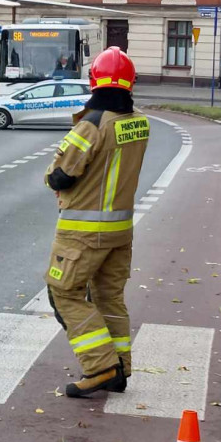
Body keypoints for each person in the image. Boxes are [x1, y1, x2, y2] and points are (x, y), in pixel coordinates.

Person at [42, 47, 149, 398]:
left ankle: (100, 366)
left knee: (64, 293)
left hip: (83, 232)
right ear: (130, 83)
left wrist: (55, 174)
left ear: (94, 80)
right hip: (121, 230)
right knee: (109, 297)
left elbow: (61, 176)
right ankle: (120, 368)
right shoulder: (138, 122)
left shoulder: (92, 124)